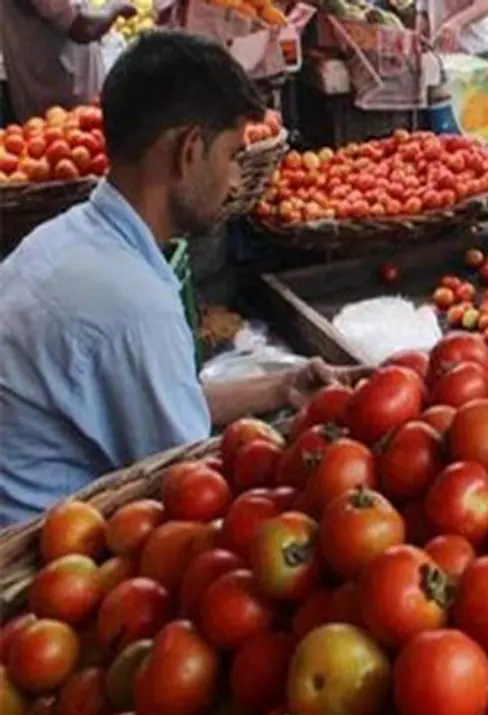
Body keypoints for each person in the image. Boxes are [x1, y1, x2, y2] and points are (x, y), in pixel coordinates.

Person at [0, 30, 361, 526]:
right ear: (190, 150)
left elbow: (159, 397)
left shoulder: (66, 239)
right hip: (37, 562)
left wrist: (281, 387)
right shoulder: (131, 304)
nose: (236, 180)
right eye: (233, 155)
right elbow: (194, 483)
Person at [0, 0, 137, 121]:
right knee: (66, 141)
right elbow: (84, 27)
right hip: (58, 95)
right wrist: (115, 6)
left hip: (53, 85)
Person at [420, 0, 488, 53]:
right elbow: (423, 12)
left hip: (476, 50)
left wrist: (457, 22)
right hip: (441, 54)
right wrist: (419, 38)